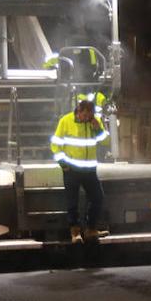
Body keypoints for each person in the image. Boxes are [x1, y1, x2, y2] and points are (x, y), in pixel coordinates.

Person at [50, 99, 109, 243]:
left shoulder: (94, 121)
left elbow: (105, 141)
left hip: (89, 170)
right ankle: (75, 233)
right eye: (85, 115)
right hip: (72, 170)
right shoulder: (66, 121)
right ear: (79, 111)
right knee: (72, 203)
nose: (87, 118)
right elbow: (55, 144)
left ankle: (90, 229)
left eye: (90, 116)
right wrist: (63, 164)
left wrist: (98, 128)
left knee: (98, 198)